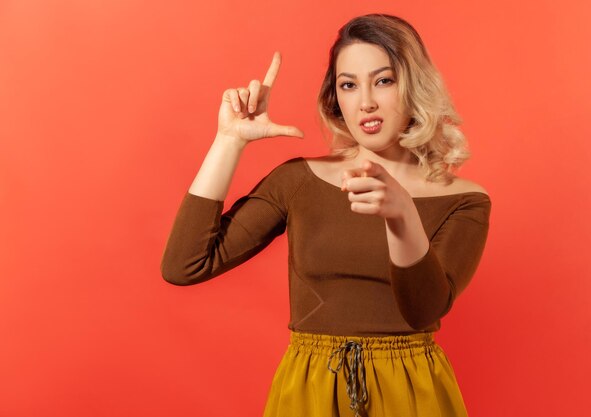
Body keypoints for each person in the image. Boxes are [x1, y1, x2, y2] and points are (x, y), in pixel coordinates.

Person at [161, 13, 491, 417]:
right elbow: (185, 264)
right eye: (348, 85)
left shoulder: (465, 200)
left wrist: (402, 214)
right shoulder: (298, 180)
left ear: (414, 87)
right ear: (336, 99)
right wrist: (228, 141)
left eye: (383, 80)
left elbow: (424, 311)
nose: (365, 101)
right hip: (310, 388)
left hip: (410, 390)